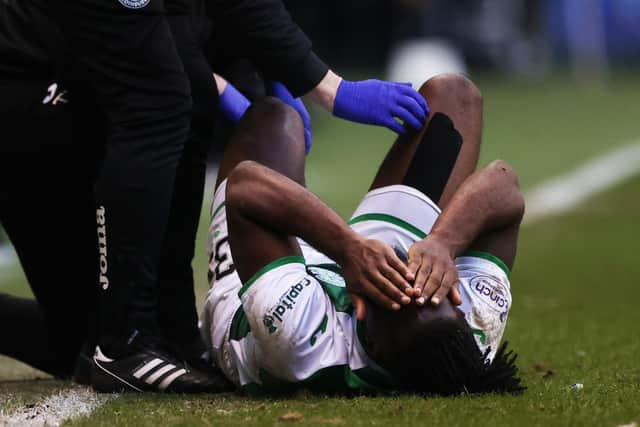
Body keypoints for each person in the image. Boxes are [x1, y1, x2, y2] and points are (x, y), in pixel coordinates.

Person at [198, 73, 525, 395]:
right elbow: (505, 186)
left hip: (259, 291)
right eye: (427, 285)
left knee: (274, 119)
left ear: (375, 347)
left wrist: (347, 248)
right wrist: (443, 242)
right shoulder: (473, 326)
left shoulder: (302, 338)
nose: (408, 277)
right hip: (357, 258)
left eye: (395, 292)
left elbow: (246, 187)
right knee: (456, 97)